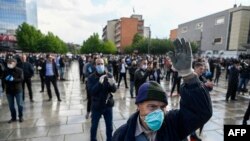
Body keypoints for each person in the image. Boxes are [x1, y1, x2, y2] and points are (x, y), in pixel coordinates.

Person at [112, 38, 212, 141]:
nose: (158, 112)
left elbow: (201, 113)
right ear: (138, 105)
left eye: (163, 107)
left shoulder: (173, 125)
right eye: (152, 106)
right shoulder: (122, 135)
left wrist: (188, 74)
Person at [87, 58, 117, 141]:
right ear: (95, 65)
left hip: (108, 105)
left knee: (110, 127)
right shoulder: (91, 77)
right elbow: (91, 92)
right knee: (94, 126)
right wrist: (99, 83)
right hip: (96, 106)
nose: (100, 65)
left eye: (102, 64)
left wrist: (112, 84)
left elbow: (114, 90)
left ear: (104, 64)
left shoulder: (109, 75)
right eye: (98, 64)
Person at [3, 58, 24, 123]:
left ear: (14, 63)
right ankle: (13, 117)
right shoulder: (6, 70)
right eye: (8, 63)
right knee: (11, 105)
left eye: (10, 63)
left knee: (19, 104)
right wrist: (6, 79)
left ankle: (20, 116)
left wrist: (13, 80)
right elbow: (3, 79)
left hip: (17, 90)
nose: (9, 64)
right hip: (9, 90)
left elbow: (21, 79)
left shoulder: (19, 70)